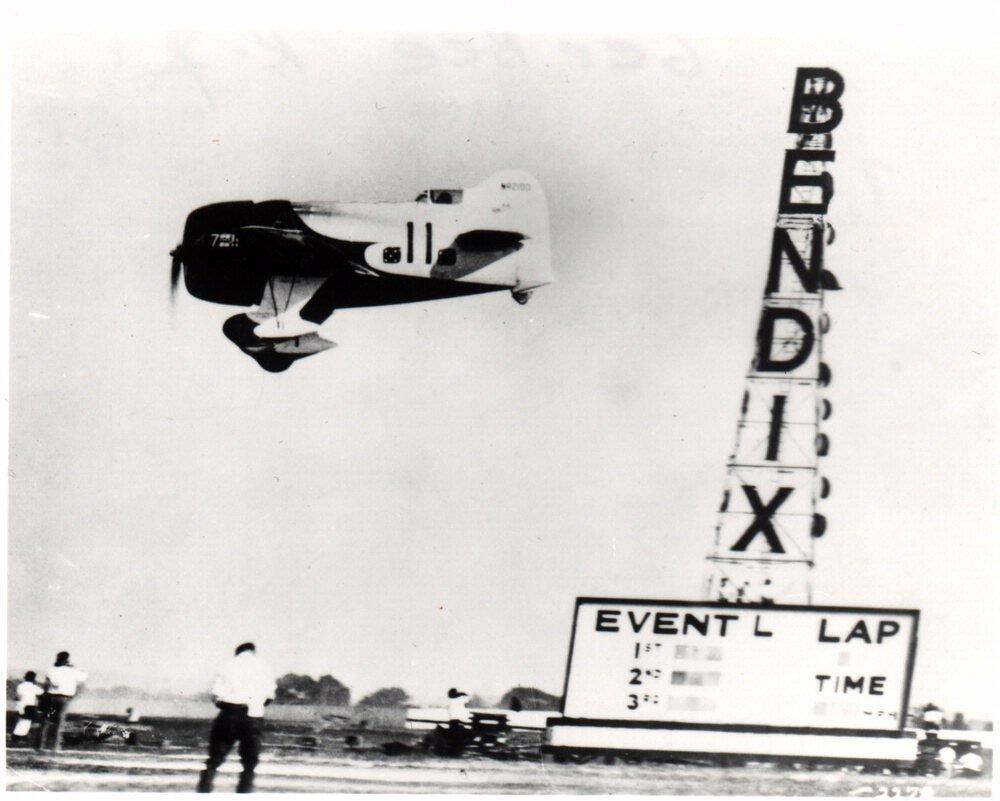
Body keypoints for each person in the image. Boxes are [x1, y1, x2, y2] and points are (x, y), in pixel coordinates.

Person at [197, 642, 276, 794]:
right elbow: (270, 697)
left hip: (229, 713)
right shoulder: (264, 667)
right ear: (253, 651)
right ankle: (244, 792)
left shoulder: (226, 665)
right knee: (249, 763)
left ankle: (203, 791)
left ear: (237, 652)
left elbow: (216, 696)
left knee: (214, 759)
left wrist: (230, 707)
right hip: (253, 715)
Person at [35, 651, 87, 751]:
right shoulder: (73, 670)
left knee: (45, 721)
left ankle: (40, 745)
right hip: (64, 698)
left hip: (50, 697)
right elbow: (83, 678)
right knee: (59, 722)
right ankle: (55, 747)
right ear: (67, 659)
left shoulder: (51, 670)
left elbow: (47, 684)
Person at [12, 671, 44, 743]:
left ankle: (18, 736)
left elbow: (18, 695)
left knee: (22, 721)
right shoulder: (33, 687)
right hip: (29, 705)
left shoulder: (20, 686)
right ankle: (18, 736)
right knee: (27, 721)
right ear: (33, 678)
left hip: (20, 704)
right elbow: (41, 692)